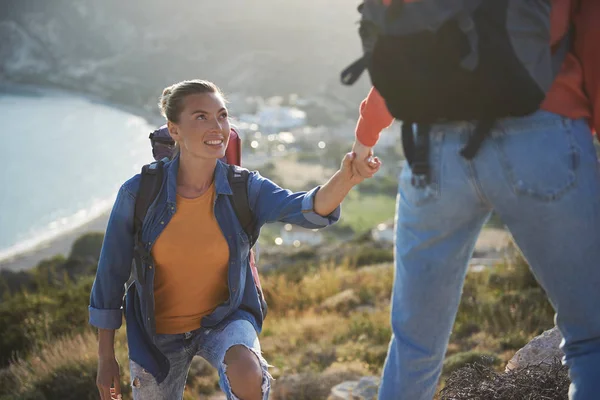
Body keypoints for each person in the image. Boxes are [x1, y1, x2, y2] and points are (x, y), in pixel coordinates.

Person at [351, 1, 600, 399]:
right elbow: (592, 39)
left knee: (414, 344)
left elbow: (407, 39)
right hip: (543, 131)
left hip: (433, 146)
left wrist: (366, 134)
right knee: (591, 337)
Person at [90, 79, 381, 400]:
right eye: (201, 117)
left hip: (224, 319)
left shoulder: (245, 187)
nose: (216, 126)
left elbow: (307, 208)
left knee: (247, 371)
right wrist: (106, 358)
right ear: (174, 130)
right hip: (156, 337)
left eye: (222, 115)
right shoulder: (138, 193)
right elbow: (110, 278)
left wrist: (347, 176)